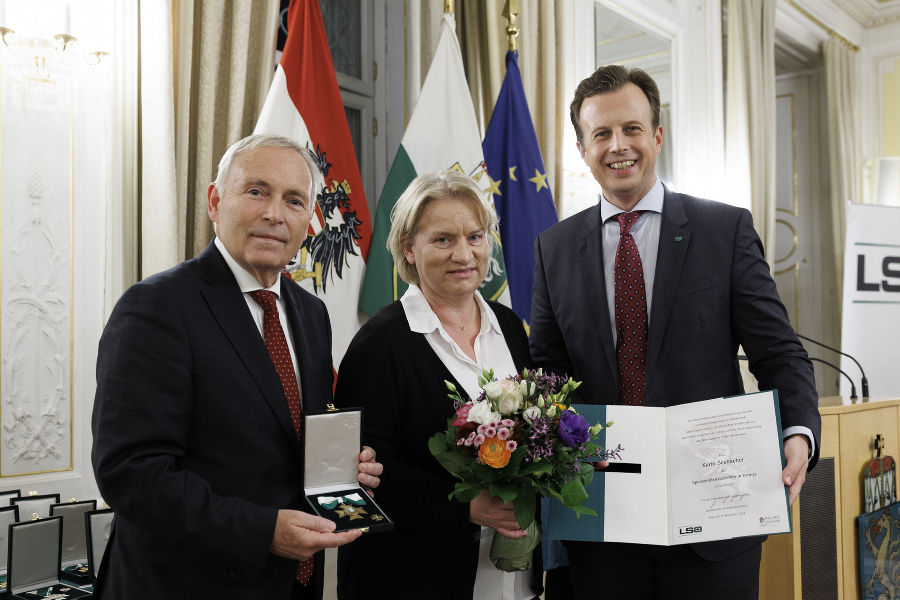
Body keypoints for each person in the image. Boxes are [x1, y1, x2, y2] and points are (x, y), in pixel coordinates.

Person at [529, 65, 821, 600]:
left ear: (657, 136)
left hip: (714, 523)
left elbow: (779, 353)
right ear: (581, 148)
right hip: (602, 529)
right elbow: (548, 374)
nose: (619, 146)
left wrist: (798, 431)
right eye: (601, 134)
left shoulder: (724, 230)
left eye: (632, 129)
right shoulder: (553, 248)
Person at [91, 134, 382, 599]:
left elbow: (286, 436)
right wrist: (263, 530)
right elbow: (131, 473)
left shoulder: (311, 314)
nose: (274, 213)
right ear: (214, 200)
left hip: (290, 585)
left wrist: (342, 466)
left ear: (309, 220)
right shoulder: (156, 308)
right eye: (256, 191)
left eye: (293, 200)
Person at [333, 170, 542, 599]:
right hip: (414, 574)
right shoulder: (379, 344)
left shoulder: (509, 327)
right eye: (443, 239)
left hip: (508, 572)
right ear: (409, 249)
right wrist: (465, 507)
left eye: (476, 236)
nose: (463, 253)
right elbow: (360, 474)